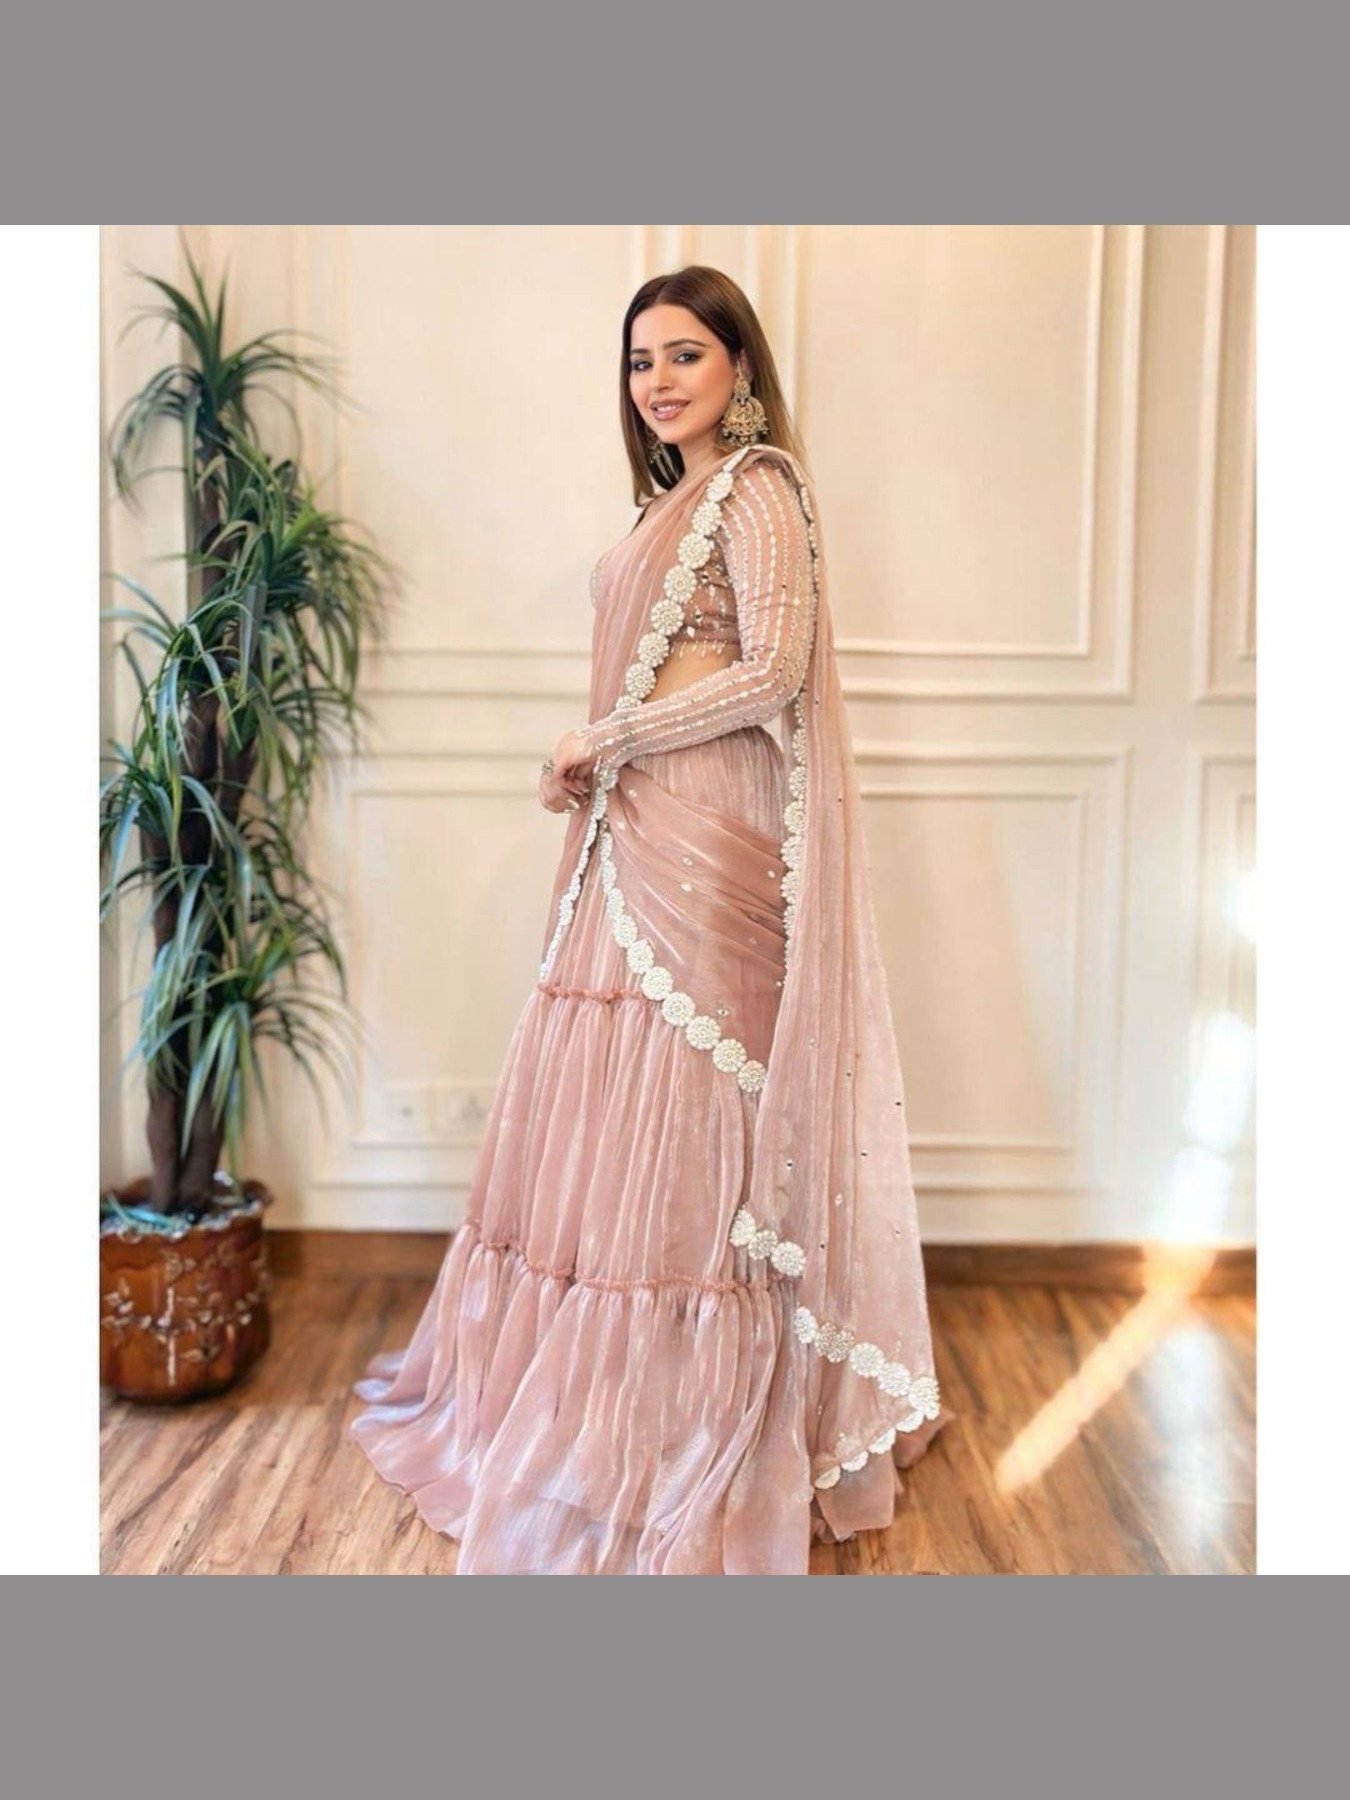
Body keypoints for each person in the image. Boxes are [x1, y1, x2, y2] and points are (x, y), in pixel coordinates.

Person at [348, 264, 947, 1574]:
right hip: (635, 824)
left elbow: (770, 670)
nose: (659, 381)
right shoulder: (671, 501)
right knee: (611, 1090)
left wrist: (606, 735)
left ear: (740, 365)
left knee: (696, 1097)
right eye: (640, 360)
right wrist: (595, 760)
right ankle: (603, 1411)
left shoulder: (759, 487)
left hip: (711, 828)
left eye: (685, 354)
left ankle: (694, 1419)